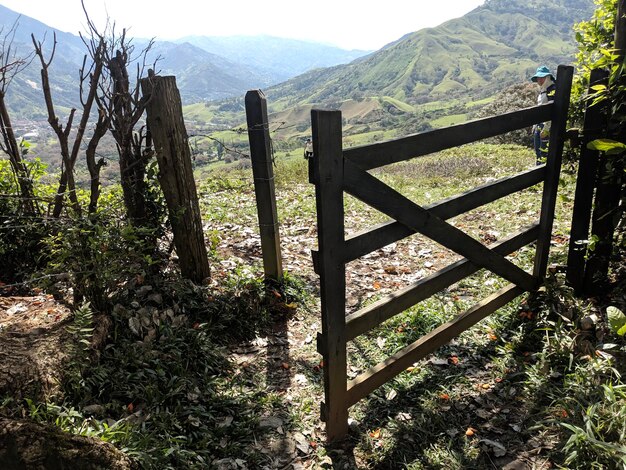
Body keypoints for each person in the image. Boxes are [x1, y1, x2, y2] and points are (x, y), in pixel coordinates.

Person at [530, 65, 557, 164]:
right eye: (538, 78)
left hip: (546, 125)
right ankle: (537, 172)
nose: (539, 80)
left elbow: (552, 110)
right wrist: (535, 125)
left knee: (544, 151)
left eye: (542, 77)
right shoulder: (543, 90)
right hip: (539, 124)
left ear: (548, 77)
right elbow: (539, 107)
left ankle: (542, 173)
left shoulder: (552, 89)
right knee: (538, 151)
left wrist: (546, 128)